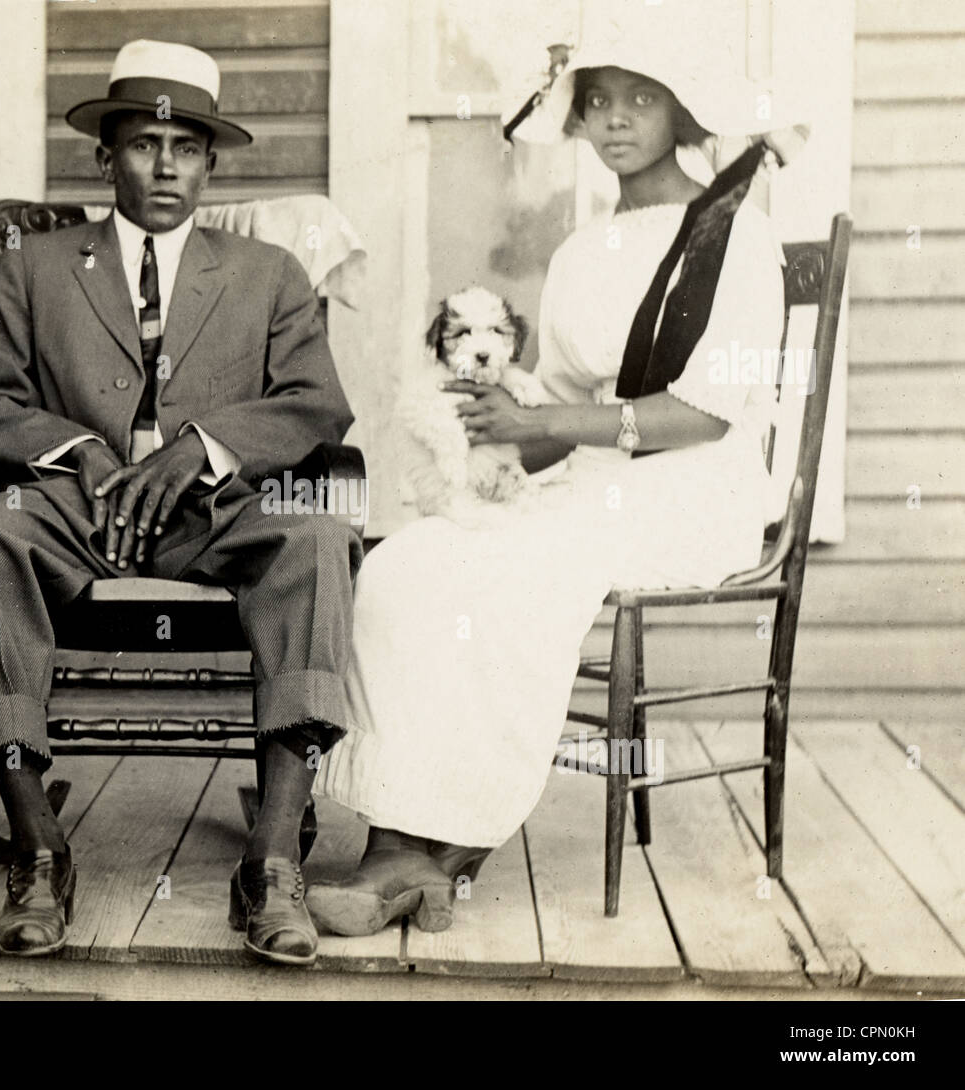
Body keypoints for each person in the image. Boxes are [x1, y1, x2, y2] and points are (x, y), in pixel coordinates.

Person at [307, 40, 806, 935]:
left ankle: (444, 835)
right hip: (597, 479)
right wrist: (494, 415)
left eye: (640, 100)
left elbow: (705, 416)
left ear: (682, 113)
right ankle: (399, 828)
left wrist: (545, 428)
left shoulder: (738, 238)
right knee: (409, 563)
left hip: (698, 487)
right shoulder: (583, 251)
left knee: (522, 568)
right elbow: (563, 405)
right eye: (599, 101)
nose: (614, 119)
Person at [0, 40, 360, 965]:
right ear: (105, 156)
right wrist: (79, 453)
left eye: (187, 147)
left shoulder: (266, 271)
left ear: (209, 161)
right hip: (77, 508)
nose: (166, 165)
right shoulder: (39, 267)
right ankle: (38, 846)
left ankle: (273, 860)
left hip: (217, 510)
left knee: (319, 540)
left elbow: (316, 404)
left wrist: (202, 450)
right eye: (144, 143)